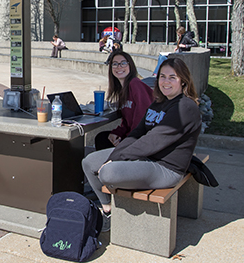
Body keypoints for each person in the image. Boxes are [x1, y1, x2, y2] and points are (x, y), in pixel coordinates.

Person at [82, 58, 202, 232]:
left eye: (172, 77)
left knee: (108, 172)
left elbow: (154, 139)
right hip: (147, 157)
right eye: (162, 76)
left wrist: (117, 159)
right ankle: (108, 210)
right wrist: (117, 155)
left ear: (183, 80)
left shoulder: (186, 107)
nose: (166, 82)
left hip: (166, 167)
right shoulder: (159, 102)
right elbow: (137, 133)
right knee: (89, 162)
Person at [94, 51, 154, 151]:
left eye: (123, 63)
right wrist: (117, 133)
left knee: (102, 141)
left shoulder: (135, 84)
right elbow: (127, 123)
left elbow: (142, 118)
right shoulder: (123, 90)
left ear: (130, 65)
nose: (119, 67)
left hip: (141, 139)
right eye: (115, 64)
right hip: (132, 135)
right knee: (102, 138)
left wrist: (127, 141)